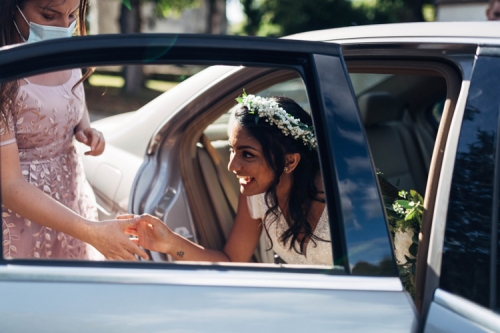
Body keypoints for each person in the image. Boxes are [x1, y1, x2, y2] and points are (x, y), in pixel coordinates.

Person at [0, 0, 148, 261]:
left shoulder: (62, 54)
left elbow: (72, 92)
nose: (63, 27)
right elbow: (9, 185)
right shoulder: (5, 78)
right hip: (21, 216)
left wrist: (85, 127)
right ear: (11, 8)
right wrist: (92, 232)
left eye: (71, 16)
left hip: (71, 197)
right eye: (49, 15)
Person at [125, 94, 333, 265]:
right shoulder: (256, 193)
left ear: (290, 161)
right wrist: (169, 243)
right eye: (233, 150)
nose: (232, 166)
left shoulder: (337, 196)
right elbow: (231, 260)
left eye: (248, 154)